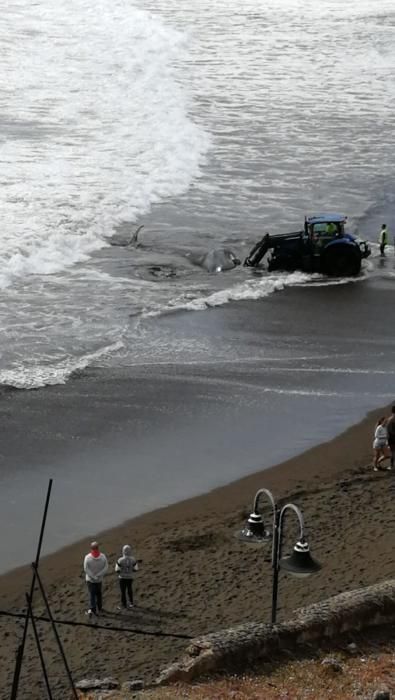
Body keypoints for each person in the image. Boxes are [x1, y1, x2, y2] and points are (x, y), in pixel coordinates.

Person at [83, 541, 108, 617]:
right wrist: (99, 575)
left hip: (90, 580)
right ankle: (100, 607)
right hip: (99, 579)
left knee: (92, 594)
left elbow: (86, 569)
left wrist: (93, 576)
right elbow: (106, 567)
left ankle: (93, 609)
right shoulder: (103, 557)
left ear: (91, 548)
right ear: (98, 548)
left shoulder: (87, 557)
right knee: (99, 593)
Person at [115, 544, 138, 610]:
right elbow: (136, 569)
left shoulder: (120, 560)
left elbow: (117, 570)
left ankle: (124, 604)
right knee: (129, 589)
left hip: (122, 578)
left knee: (123, 591)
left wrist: (122, 572)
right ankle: (131, 602)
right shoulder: (133, 559)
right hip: (130, 577)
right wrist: (130, 571)